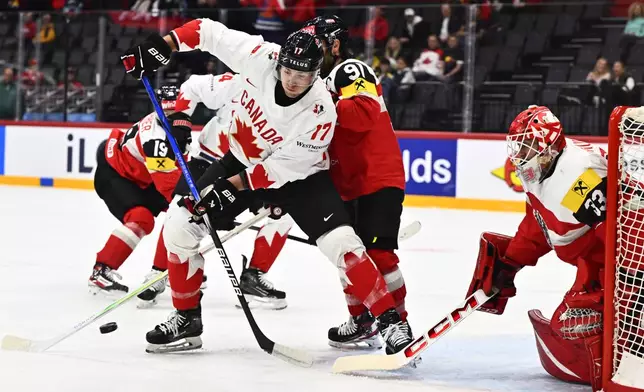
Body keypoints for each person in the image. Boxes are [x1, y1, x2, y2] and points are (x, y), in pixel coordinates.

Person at [121, 19, 412, 355]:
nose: (293, 80)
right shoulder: (261, 56)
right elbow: (209, 32)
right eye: (289, 71)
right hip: (239, 161)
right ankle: (187, 319)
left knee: (344, 244)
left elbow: (282, 169)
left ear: (316, 74)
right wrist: (166, 44)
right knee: (180, 226)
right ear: (279, 63)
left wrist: (234, 187)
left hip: (301, 180)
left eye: (303, 75)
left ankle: (389, 322)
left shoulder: (321, 111)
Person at [465, 105, 619, 391]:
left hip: (614, 268)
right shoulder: (544, 171)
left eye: (526, 148)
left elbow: (615, 239)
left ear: (548, 147)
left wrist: (618, 292)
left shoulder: (579, 179)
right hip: (592, 261)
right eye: (518, 148)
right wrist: (510, 262)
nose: (519, 157)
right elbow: (537, 224)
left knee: (573, 324)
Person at [137, 72, 293, 310]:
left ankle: (253, 276)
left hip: (249, 174)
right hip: (208, 163)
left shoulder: (298, 105)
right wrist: (180, 122)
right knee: (180, 212)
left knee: (282, 215)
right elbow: (191, 87)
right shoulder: (243, 80)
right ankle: (159, 272)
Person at [301, 15, 410, 351]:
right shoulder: (317, 82)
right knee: (348, 255)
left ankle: (399, 325)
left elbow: (362, 114)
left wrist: (315, 105)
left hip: (376, 178)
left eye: (317, 44)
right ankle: (362, 320)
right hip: (346, 184)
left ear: (334, 44)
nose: (310, 52)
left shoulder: (350, 70)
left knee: (379, 254)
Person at [88, 86, 192, 296]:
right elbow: (170, 187)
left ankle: (168, 268)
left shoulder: (181, 128)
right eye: (167, 113)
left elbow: (181, 173)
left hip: (143, 178)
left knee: (183, 215)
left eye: (176, 112)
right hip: (116, 175)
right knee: (142, 218)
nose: (172, 117)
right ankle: (101, 270)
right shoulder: (154, 140)